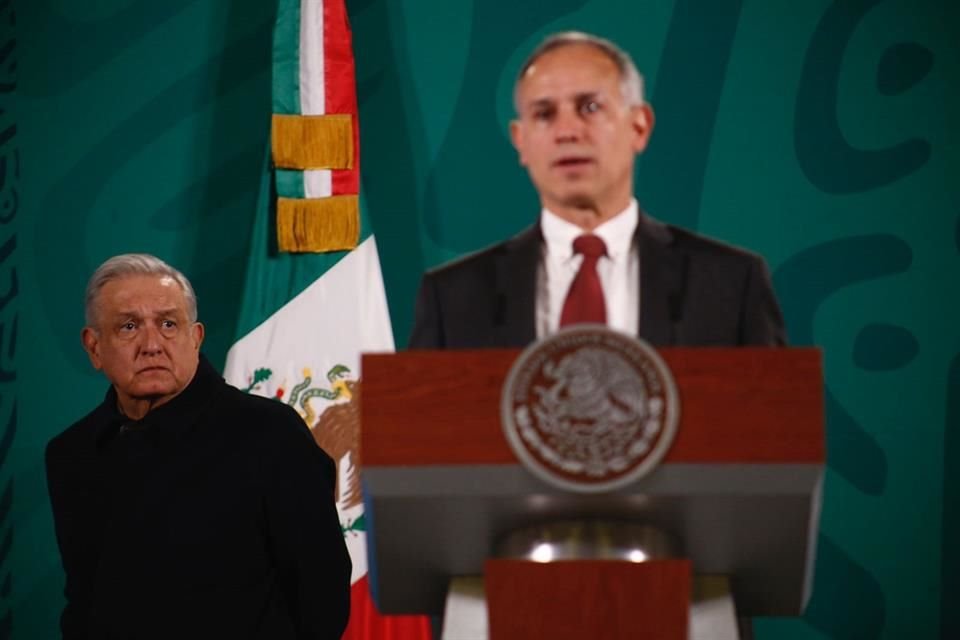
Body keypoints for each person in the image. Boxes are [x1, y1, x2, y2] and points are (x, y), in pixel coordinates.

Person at [409, 31, 785, 349]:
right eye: (544, 114)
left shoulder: (731, 283)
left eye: (589, 107)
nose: (567, 131)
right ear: (520, 141)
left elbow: (774, 413)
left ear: (639, 126)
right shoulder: (453, 297)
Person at [45, 254, 351, 639]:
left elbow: (322, 596)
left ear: (196, 338)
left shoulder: (271, 433)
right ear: (94, 348)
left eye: (168, 324)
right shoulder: (72, 454)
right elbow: (85, 603)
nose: (152, 345)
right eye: (129, 326)